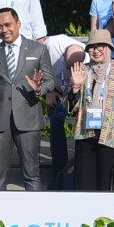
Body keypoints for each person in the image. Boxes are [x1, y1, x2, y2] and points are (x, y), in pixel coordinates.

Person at [0, 7, 53, 191]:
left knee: (32, 173)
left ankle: (34, 214)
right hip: (0, 119)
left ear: (18, 24)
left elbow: (50, 80)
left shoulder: (38, 49)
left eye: (8, 24)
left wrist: (40, 89)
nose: (4, 29)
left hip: (29, 117)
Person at [66, 29, 114, 192]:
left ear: (109, 48)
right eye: (92, 47)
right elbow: (71, 109)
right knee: (84, 184)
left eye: (101, 46)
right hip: (86, 134)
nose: (96, 50)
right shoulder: (82, 71)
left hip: (112, 136)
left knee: (108, 183)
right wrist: (75, 87)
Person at [42, 32, 86, 190]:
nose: (70, 68)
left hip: (78, 92)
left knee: (82, 128)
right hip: (56, 90)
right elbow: (39, 67)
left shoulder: (86, 58)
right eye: (68, 65)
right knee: (56, 123)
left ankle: (80, 169)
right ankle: (59, 171)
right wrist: (49, 90)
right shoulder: (52, 45)